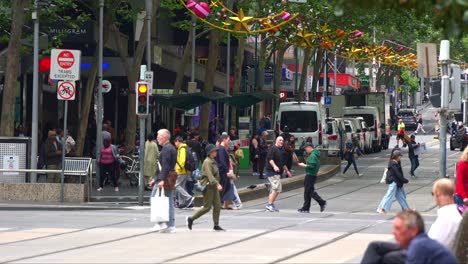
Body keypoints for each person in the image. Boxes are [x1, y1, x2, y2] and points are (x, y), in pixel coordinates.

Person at [361, 210, 458, 264]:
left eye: (398, 228)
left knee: (378, 250)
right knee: (386, 257)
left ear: (414, 230)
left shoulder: (419, 246)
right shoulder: (421, 243)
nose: (393, 232)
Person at [186, 144, 225, 231]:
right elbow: (210, 175)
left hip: (213, 186)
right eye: (215, 151)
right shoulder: (207, 162)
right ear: (211, 152)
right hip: (208, 186)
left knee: (217, 206)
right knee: (207, 207)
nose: (216, 152)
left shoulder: (212, 160)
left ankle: (216, 225)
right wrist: (217, 184)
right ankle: (191, 219)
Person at [149, 129, 177, 233]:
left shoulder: (166, 149)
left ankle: (161, 223)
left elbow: (165, 166)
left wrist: (160, 180)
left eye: (159, 136)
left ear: (165, 137)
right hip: (170, 177)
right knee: (168, 201)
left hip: (165, 178)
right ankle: (170, 225)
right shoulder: (172, 148)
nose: (157, 138)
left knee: (154, 199)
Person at [428, 178, 462, 249]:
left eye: (432, 193)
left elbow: (433, 246)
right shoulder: (455, 215)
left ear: (437, 193)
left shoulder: (446, 219)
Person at [376, 149, 409, 214]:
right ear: (397, 156)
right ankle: (382, 208)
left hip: (396, 182)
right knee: (389, 195)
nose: (400, 157)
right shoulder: (393, 164)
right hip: (393, 182)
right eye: (400, 156)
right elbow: (398, 174)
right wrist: (404, 180)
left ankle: (406, 209)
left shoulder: (394, 163)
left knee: (401, 196)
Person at [297, 143, 326, 213]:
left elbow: (312, 165)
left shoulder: (312, 155)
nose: (305, 150)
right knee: (307, 191)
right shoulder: (314, 154)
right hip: (312, 174)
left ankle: (321, 201)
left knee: (309, 190)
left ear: (309, 147)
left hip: (310, 174)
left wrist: (304, 165)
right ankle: (306, 207)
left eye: (306, 148)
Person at [264, 136, 289, 212]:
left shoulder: (282, 150)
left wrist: (287, 171)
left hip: (278, 173)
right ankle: (269, 204)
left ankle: (271, 204)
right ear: (276, 141)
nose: (281, 141)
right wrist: (274, 166)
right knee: (277, 188)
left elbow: (283, 162)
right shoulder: (273, 149)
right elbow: (270, 159)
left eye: (282, 140)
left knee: (275, 188)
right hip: (272, 172)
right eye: (280, 140)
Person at [174, 136, 195, 209]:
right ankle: (182, 203)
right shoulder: (185, 148)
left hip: (181, 171)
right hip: (185, 171)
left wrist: (178, 169)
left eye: (175, 142)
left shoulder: (182, 149)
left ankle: (188, 197)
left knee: (177, 186)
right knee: (182, 186)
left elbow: (182, 161)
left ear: (177, 141)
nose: (175, 144)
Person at [216, 135, 236, 209]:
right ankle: (219, 203)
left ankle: (223, 203)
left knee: (226, 187)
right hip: (223, 172)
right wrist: (226, 170)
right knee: (223, 187)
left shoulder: (222, 149)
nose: (229, 141)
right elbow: (222, 161)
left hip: (224, 171)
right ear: (224, 140)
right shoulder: (221, 149)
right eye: (228, 140)